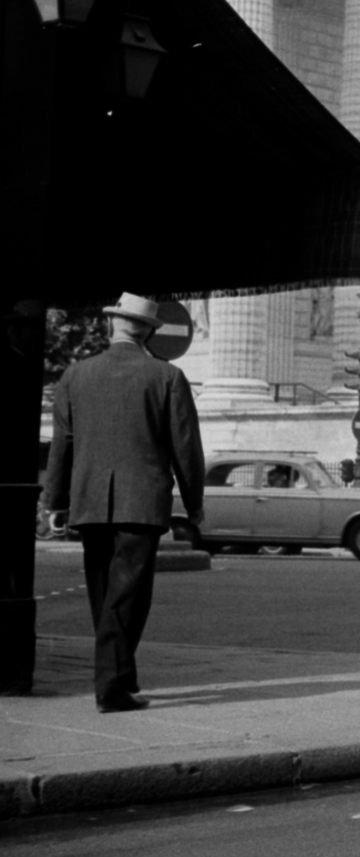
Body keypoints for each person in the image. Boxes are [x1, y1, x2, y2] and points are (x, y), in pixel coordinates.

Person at [42, 292, 205, 713]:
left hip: (89, 500)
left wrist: (54, 502)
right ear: (149, 331)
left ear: (112, 324)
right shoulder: (167, 376)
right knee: (129, 596)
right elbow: (185, 447)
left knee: (104, 594)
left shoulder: (75, 375)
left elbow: (63, 446)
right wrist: (194, 500)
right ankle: (111, 688)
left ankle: (120, 676)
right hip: (142, 500)